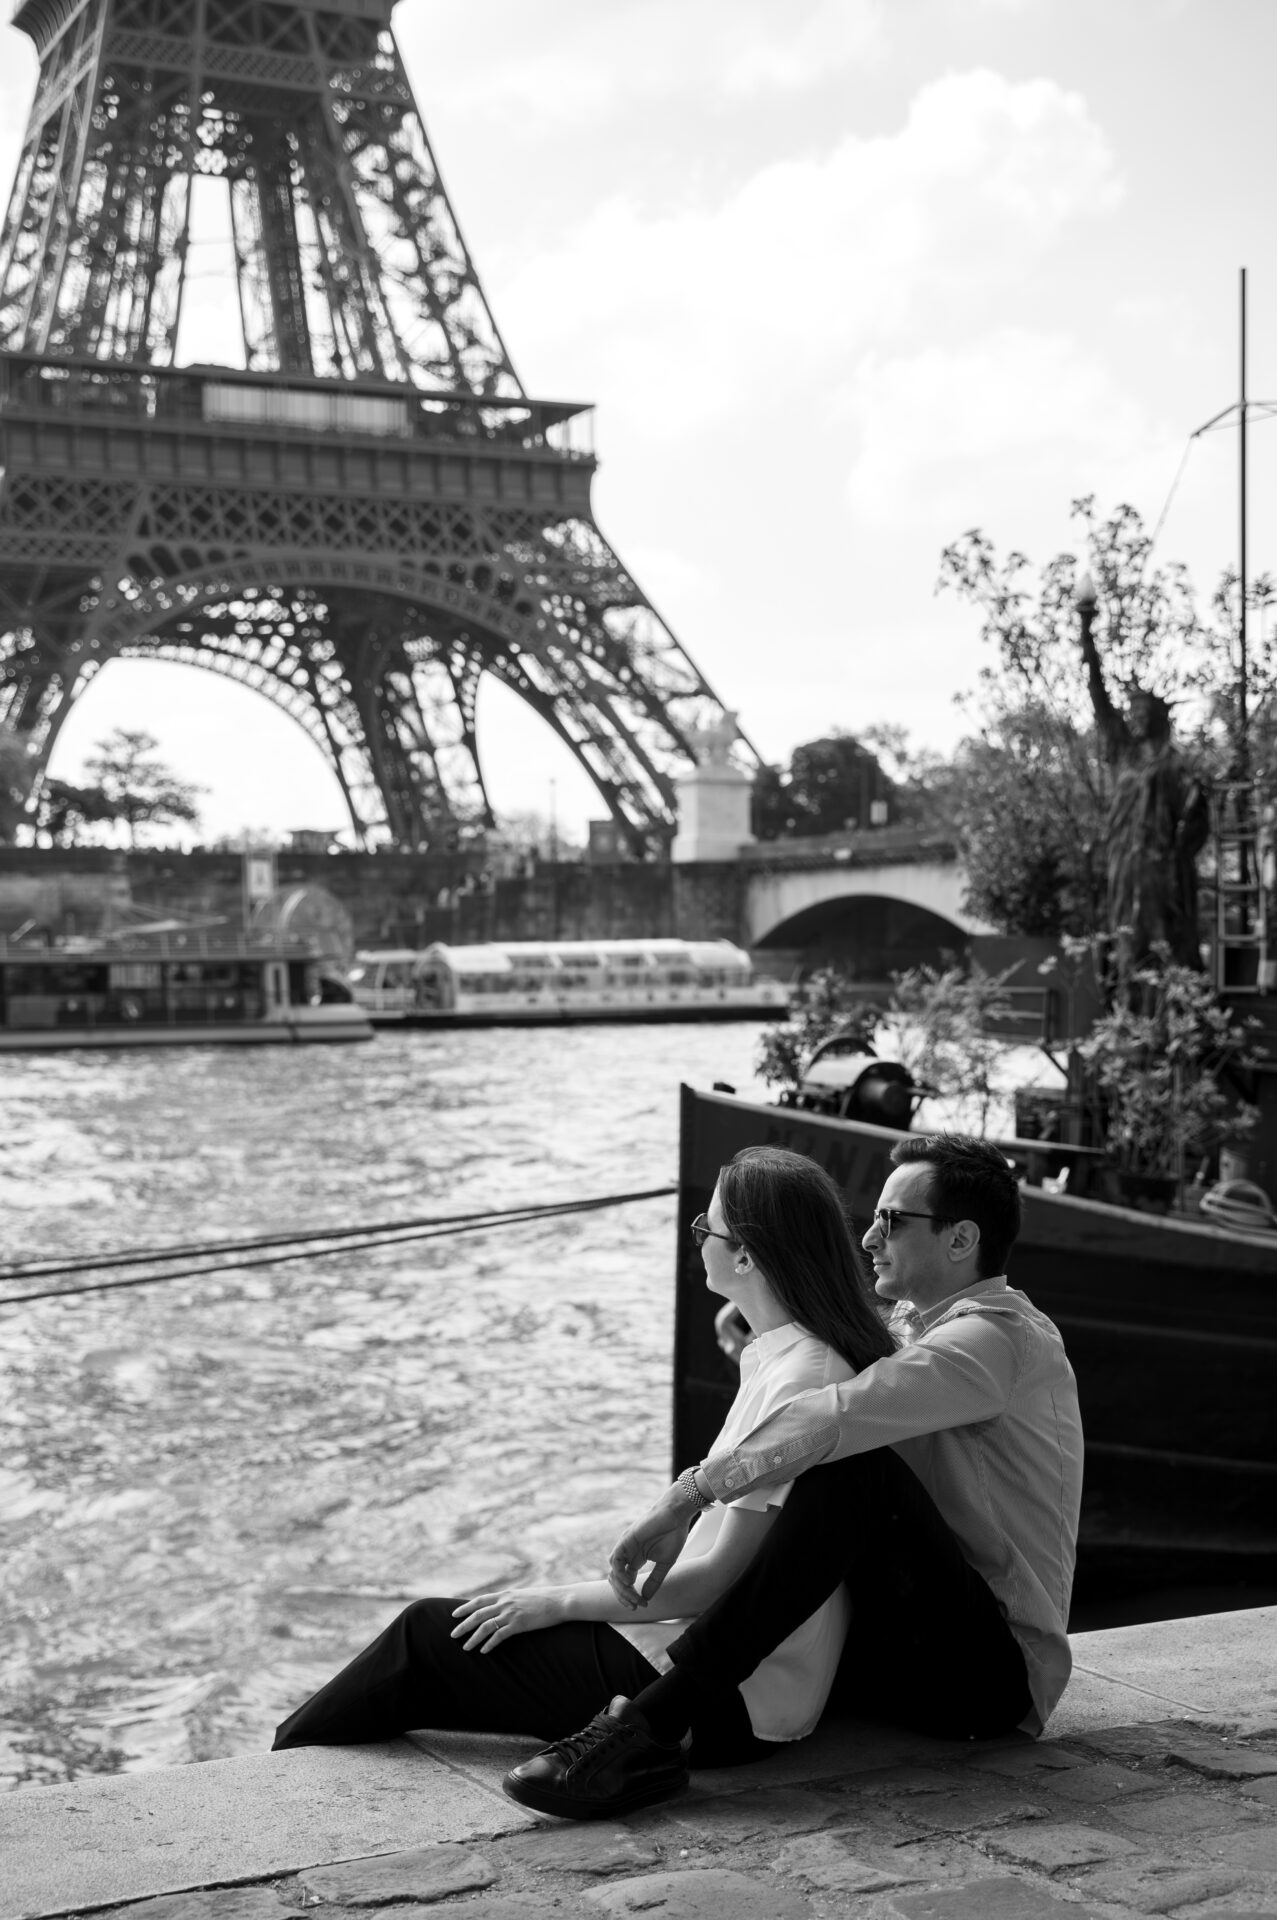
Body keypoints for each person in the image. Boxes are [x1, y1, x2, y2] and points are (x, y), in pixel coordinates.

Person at [272, 1146, 895, 1804]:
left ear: (744, 1257)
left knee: (426, 1638)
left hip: (728, 1700)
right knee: (447, 1635)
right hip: (723, 1677)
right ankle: (288, 1760)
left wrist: (553, 1600)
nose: (697, 1239)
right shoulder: (787, 1359)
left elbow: (714, 1584)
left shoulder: (802, 1378)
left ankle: (279, 1774)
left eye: (703, 1228)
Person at [503, 1131, 1083, 1821]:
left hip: (988, 1680)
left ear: (960, 1241)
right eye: (872, 1217)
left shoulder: (991, 1341)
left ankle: (652, 1726)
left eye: (891, 1222)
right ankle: (686, 1706)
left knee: (852, 1473)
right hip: (903, 1645)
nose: (868, 1237)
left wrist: (683, 1498)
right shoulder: (917, 1328)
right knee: (832, 1466)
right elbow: (848, 1346)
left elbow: (833, 1412)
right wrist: (761, 1322)